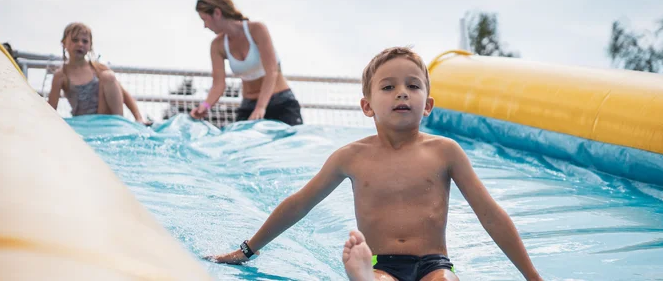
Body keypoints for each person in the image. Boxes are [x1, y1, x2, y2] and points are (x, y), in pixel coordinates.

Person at [205, 47, 543, 281]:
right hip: (382, 264)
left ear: (428, 105)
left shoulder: (446, 152)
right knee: (380, 279)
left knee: (444, 280)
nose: (402, 93)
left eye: (413, 86)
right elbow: (298, 205)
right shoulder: (351, 157)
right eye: (388, 86)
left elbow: (490, 214)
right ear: (367, 106)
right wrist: (247, 250)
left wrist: (532, 276)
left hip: (434, 264)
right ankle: (364, 274)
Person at [190, 0, 303, 126]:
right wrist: (205, 106)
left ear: (217, 13)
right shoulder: (217, 45)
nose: (205, 26)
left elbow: (272, 71)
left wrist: (261, 107)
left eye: (205, 20)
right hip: (249, 106)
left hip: (281, 102)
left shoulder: (257, 29)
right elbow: (218, 84)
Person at [47, 22, 150, 125]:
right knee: (107, 75)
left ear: (90, 46)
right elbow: (50, 109)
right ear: (64, 43)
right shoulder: (61, 75)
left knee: (108, 76)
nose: (80, 44)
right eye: (75, 40)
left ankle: (119, 122)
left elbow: (125, 95)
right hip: (83, 121)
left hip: (104, 114)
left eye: (85, 41)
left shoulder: (97, 69)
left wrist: (139, 118)